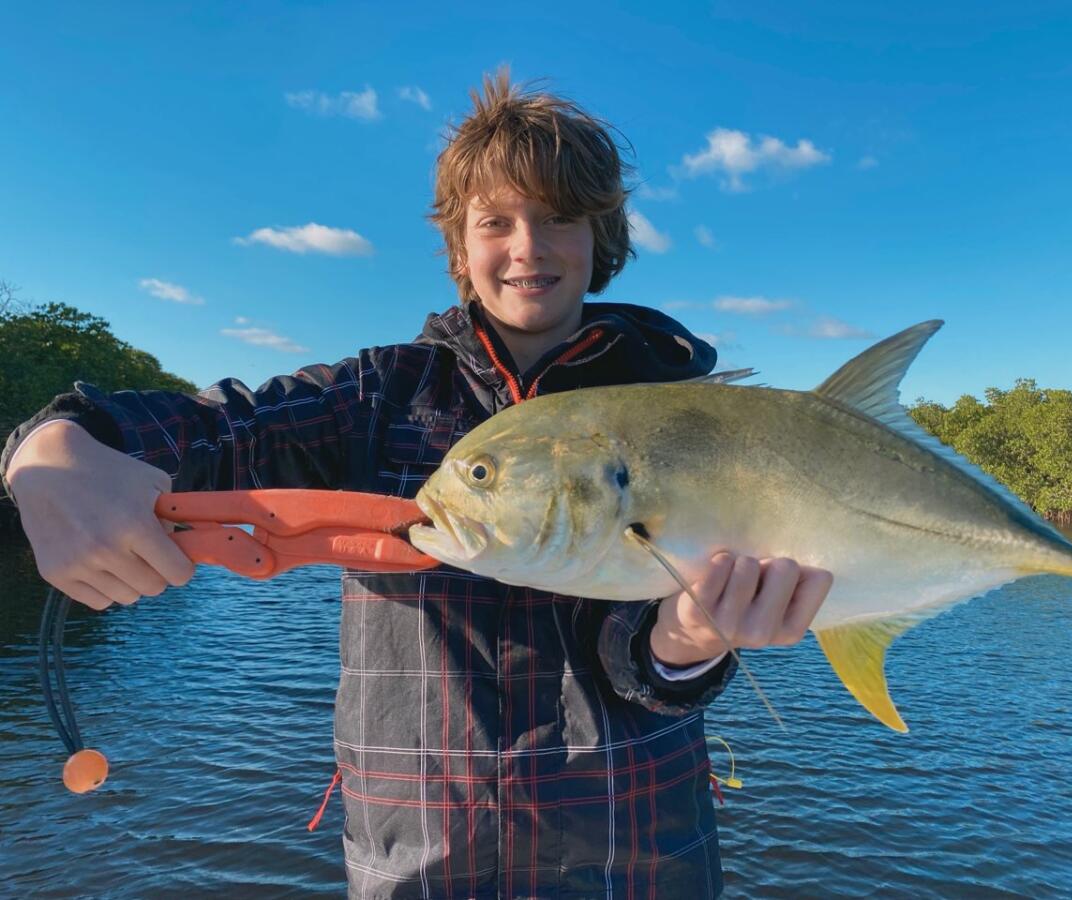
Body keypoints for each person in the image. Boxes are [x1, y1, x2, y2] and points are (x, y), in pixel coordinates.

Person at [2, 71, 832, 898]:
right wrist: (51, 448)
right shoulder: (377, 397)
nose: (527, 248)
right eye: (495, 221)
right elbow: (217, 429)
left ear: (600, 236)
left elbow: (645, 669)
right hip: (420, 859)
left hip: (638, 850)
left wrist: (688, 644)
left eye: (558, 219)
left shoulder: (679, 417)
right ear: (459, 245)